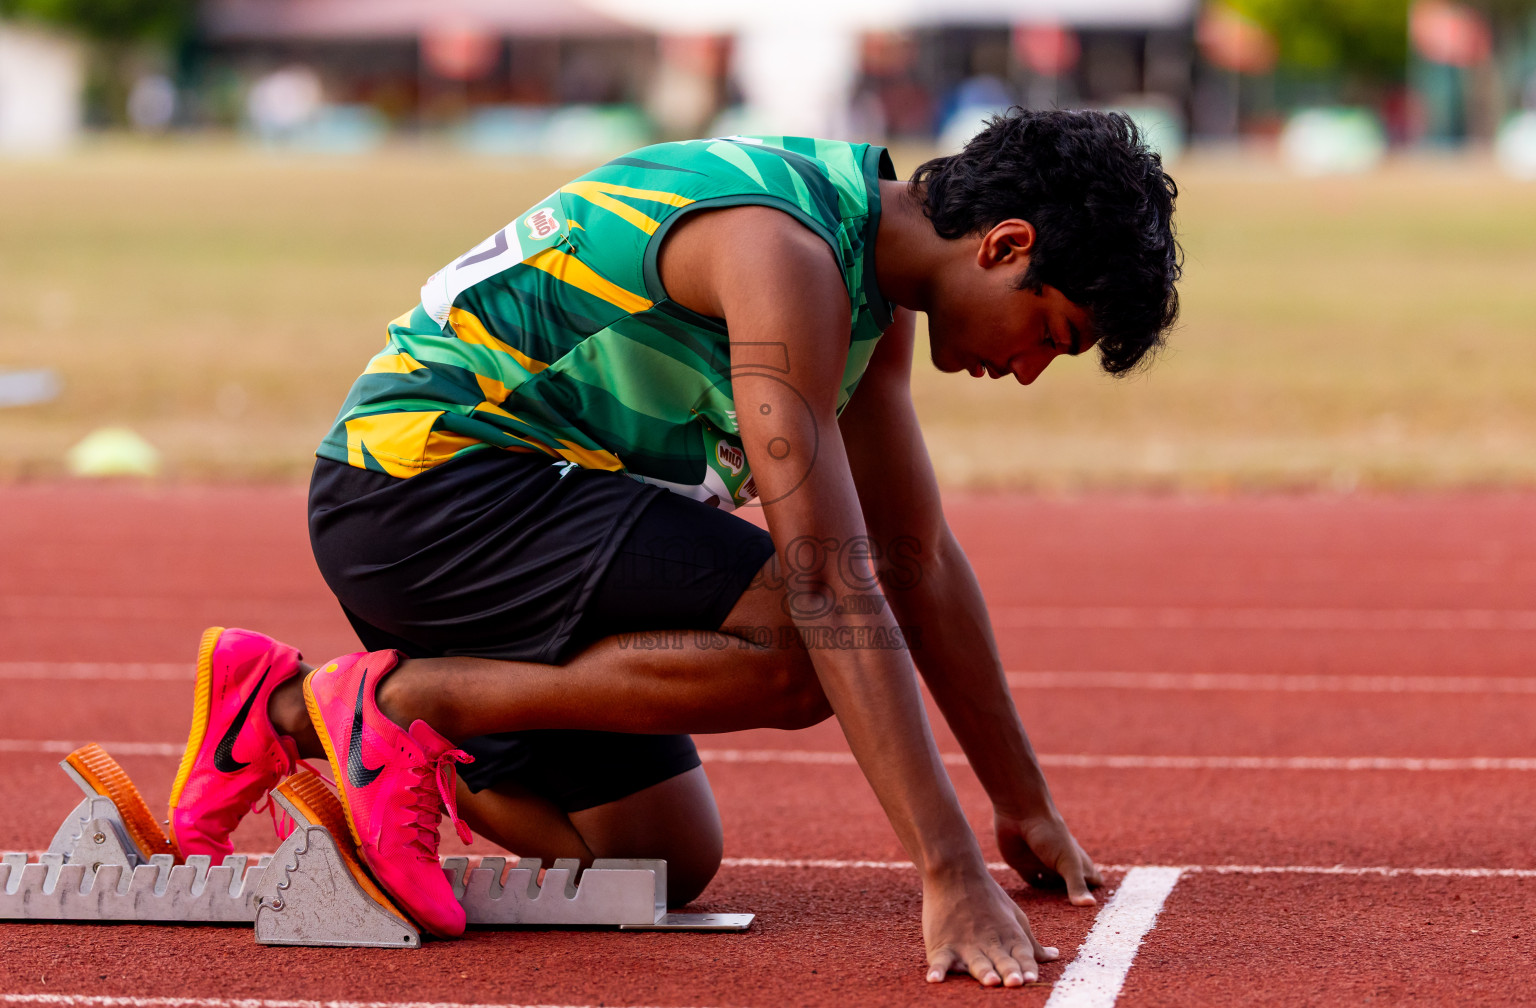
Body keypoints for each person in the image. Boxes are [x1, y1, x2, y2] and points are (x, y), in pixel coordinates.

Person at [165, 108, 1181, 985]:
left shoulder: (870, 287)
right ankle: (404, 704)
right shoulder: (783, 251)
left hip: (522, 511)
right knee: (804, 645)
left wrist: (1023, 803)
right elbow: (831, 583)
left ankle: (287, 705)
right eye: (1054, 331)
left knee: (654, 859)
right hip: (425, 488)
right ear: (1004, 247)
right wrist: (947, 872)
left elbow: (921, 556)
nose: (1036, 368)